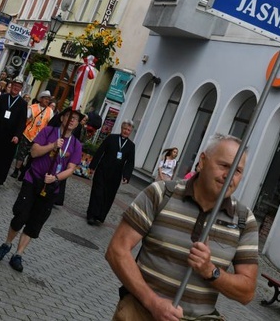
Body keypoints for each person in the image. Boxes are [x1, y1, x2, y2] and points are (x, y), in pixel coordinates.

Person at [105, 133, 258, 320]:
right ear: (202, 161)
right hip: (141, 313)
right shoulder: (161, 194)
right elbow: (117, 250)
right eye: (224, 166)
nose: (229, 176)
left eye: (237, 171)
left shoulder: (243, 220)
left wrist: (211, 271)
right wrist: (152, 302)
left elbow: (247, 292)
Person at [0, 109, 83, 273]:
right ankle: (7, 244)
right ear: (62, 118)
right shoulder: (48, 132)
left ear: (77, 124)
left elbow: (71, 169)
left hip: (50, 187)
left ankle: (18, 254)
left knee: (35, 222)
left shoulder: (76, 145)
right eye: (69, 116)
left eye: (75, 119)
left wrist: (55, 178)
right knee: (21, 215)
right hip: (33, 180)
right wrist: (53, 145)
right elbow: (34, 152)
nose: (71, 120)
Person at [86, 120, 135, 226]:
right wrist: (93, 166)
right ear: (121, 128)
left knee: (108, 196)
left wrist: (126, 176)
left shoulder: (131, 146)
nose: (126, 131)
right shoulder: (111, 138)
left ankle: (100, 216)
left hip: (115, 175)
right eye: (125, 129)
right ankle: (91, 215)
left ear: (130, 132)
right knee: (97, 192)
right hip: (102, 170)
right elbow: (100, 151)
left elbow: (130, 162)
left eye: (129, 130)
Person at [10, 90, 54, 180]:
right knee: (22, 153)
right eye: (46, 99)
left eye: (48, 99)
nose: (47, 101)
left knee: (32, 156)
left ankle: (25, 172)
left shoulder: (50, 111)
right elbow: (25, 119)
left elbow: (50, 124)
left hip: (40, 137)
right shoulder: (32, 107)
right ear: (41, 99)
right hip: (28, 134)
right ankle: (16, 170)